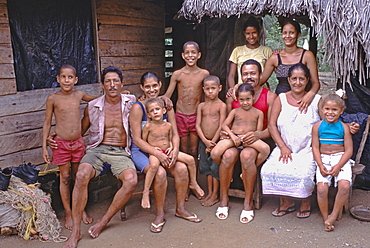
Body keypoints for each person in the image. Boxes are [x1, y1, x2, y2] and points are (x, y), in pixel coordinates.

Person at [63, 66, 137, 248]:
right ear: (103, 84)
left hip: (120, 151)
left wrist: (166, 99)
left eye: (116, 81)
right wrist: (57, 137)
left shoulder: (131, 102)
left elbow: (152, 101)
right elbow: (80, 130)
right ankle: (76, 232)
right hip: (97, 149)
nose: (112, 85)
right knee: (81, 175)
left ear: (122, 83)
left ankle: (103, 221)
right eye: (108, 81)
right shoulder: (93, 106)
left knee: (131, 180)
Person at [130, 72, 202, 234]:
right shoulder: (138, 107)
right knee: (160, 173)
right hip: (142, 150)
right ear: (142, 87)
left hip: (164, 149)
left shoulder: (166, 106)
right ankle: (159, 214)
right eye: (147, 86)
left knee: (183, 168)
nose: (151, 89)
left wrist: (175, 149)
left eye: (154, 85)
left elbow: (175, 133)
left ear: (160, 85)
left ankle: (180, 209)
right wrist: (159, 154)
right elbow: (137, 139)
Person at [215, 59, 276, 223]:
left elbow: (273, 127)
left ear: (260, 75)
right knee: (227, 156)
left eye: (253, 73)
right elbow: (228, 122)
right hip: (235, 138)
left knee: (247, 156)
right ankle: (224, 199)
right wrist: (228, 135)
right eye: (245, 73)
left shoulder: (270, 97)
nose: (249, 76)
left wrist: (258, 135)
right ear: (241, 76)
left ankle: (248, 202)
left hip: (256, 140)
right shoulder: (233, 97)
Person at [261, 63, 321, 219]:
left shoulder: (316, 100)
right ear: (288, 79)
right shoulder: (281, 99)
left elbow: (328, 122)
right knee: (269, 170)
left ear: (308, 80)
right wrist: (282, 147)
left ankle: (305, 202)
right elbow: (272, 125)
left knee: (302, 173)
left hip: (307, 148)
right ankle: (287, 202)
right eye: (294, 78)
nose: (297, 82)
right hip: (284, 146)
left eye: (302, 79)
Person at [41, 64, 94, 230]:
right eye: (63, 77)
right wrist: (44, 147)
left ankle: (81, 208)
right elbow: (47, 123)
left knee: (78, 176)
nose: (66, 80)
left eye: (70, 77)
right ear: (58, 79)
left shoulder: (79, 95)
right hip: (61, 144)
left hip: (77, 142)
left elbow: (98, 99)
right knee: (64, 178)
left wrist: (120, 94)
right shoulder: (53, 99)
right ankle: (69, 212)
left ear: (76, 80)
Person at [141, 97, 204, 209]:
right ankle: (145, 192)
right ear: (149, 115)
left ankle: (193, 182)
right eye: (152, 111)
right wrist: (154, 149)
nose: (155, 112)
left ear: (164, 111)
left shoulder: (168, 125)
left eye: (157, 109)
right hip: (156, 153)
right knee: (154, 166)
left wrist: (171, 147)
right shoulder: (148, 126)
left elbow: (169, 139)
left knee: (190, 159)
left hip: (168, 152)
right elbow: (143, 141)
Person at [164, 41, 210, 166]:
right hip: (180, 115)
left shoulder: (204, 74)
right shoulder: (178, 74)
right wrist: (146, 99)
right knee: (183, 149)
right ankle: (185, 178)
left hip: (196, 116)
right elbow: (167, 96)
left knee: (194, 150)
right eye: (187, 53)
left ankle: (193, 179)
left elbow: (210, 95)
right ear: (183, 55)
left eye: (193, 52)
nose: (190, 55)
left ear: (199, 55)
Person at [312, 94, 353, 231]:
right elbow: (315, 148)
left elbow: (348, 151)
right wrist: (320, 165)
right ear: (322, 109)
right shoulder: (317, 127)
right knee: (322, 188)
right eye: (327, 109)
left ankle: (333, 216)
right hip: (323, 159)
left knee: (345, 186)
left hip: (340, 158)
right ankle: (325, 218)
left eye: (334, 109)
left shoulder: (344, 128)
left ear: (341, 111)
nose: (330, 112)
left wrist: (338, 166)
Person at [260, 19, 320, 112]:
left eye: (291, 33)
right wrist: (238, 87)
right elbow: (260, 81)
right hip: (282, 104)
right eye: (285, 33)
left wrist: (309, 95)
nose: (287, 36)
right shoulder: (275, 58)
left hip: (303, 103)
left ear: (298, 34)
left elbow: (316, 83)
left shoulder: (307, 56)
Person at [211, 83, 270, 169]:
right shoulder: (235, 111)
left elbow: (258, 131)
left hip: (248, 140)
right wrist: (232, 136)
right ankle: (226, 167)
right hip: (234, 138)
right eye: (241, 100)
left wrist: (249, 137)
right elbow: (224, 125)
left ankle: (253, 166)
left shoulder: (259, 113)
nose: (245, 103)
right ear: (238, 99)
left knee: (265, 149)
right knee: (214, 153)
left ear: (253, 97)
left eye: (248, 99)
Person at [226, 16, 272, 112]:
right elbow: (231, 75)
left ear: (259, 32)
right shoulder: (237, 50)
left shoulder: (266, 51)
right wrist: (232, 89)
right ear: (244, 34)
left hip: (260, 92)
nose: (251, 36)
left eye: (254, 33)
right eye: (248, 33)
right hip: (242, 93)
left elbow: (272, 69)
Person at [196, 75, 227, 207]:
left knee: (215, 167)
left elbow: (221, 125)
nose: (210, 92)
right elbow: (197, 125)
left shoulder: (222, 105)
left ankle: (215, 194)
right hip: (204, 141)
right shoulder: (201, 106)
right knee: (205, 167)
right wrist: (205, 141)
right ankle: (209, 193)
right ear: (203, 89)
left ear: (219, 88)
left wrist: (212, 142)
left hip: (216, 142)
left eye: (213, 88)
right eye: (207, 89)